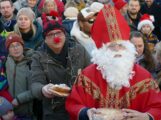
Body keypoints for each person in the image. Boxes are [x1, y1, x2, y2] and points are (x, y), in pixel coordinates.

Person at [66, 4, 161, 120]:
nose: (117, 50)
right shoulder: (87, 76)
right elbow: (73, 104)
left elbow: (157, 107)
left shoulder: (144, 77)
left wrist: (146, 116)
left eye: (121, 45)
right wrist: (85, 113)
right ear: (102, 52)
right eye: (111, 47)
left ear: (128, 48)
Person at [30, 18, 91, 120]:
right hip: (54, 111)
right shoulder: (38, 57)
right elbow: (35, 83)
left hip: (79, 106)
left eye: (59, 33)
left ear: (64, 35)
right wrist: (43, 89)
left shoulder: (79, 50)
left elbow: (90, 74)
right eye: (50, 34)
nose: (56, 37)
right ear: (45, 39)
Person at [5, 33, 35, 120]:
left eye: (18, 45)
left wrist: (19, 99)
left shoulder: (32, 62)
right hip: (8, 113)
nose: (15, 48)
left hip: (26, 114)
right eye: (12, 46)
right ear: (8, 50)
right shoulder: (5, 63)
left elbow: (36, 89)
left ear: (22, 46)